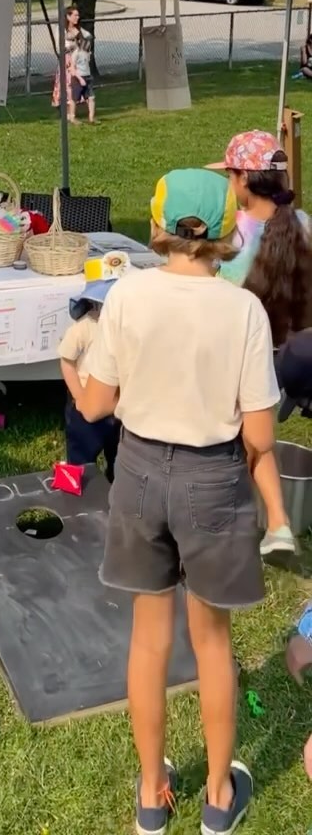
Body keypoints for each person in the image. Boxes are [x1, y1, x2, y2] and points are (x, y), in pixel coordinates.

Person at [65, 169, 279, 835]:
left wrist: (70, 372)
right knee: (212, 642)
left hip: (138, 473)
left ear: (157, 227)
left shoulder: (126, 296)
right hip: (213, 475)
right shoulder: (243, 307)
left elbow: (98, 407)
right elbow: (262, 436)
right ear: (224, 231)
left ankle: (152, 800)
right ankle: (219, 797)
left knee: (149, 640)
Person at [212, 130, 312, 558]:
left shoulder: (230, 237)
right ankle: (274, 519)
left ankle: (225, 517)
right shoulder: (303, 224)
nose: (228, 184)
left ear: (244, 181)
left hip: (236, 359)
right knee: (257, 439)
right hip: (288, 357)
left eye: (230, 175)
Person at [59, 280, 120, 480]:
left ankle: (114, 488)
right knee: (81, 457)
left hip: (117, 401)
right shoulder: (84, 327)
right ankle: (78, 498)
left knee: (119, 456)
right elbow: (67, 361)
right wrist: (79, 396)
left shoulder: (126, 329)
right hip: (86, 396)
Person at [51, 5, 94, 124]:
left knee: (74, 85)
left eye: (78, 15)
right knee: (65, 84)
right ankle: (66, 112)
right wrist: (74, 44)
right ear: (68, 16)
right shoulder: (61, 29)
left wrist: (82, 44)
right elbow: (61, 46)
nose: (77, 17)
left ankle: (72, 113)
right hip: (66, 60)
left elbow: (88, 37)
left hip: (77, 61)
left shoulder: (78, 29)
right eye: (75, 15)